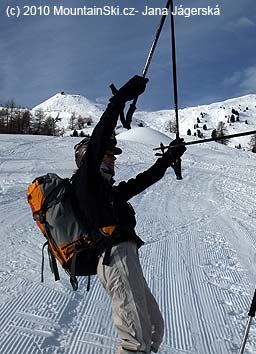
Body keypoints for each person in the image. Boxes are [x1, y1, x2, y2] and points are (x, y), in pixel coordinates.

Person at [72, 75, 186, 354]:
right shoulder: (85, 181)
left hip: (126, 258)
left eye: (113, 155)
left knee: (154, 329)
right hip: (114, 257)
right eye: (109, 154)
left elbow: (140, 181)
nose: (113, 159)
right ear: (91, 157)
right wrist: (119, 100)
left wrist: (167, 159)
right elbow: (99, 138)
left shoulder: (107, 192)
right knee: (134, 340)